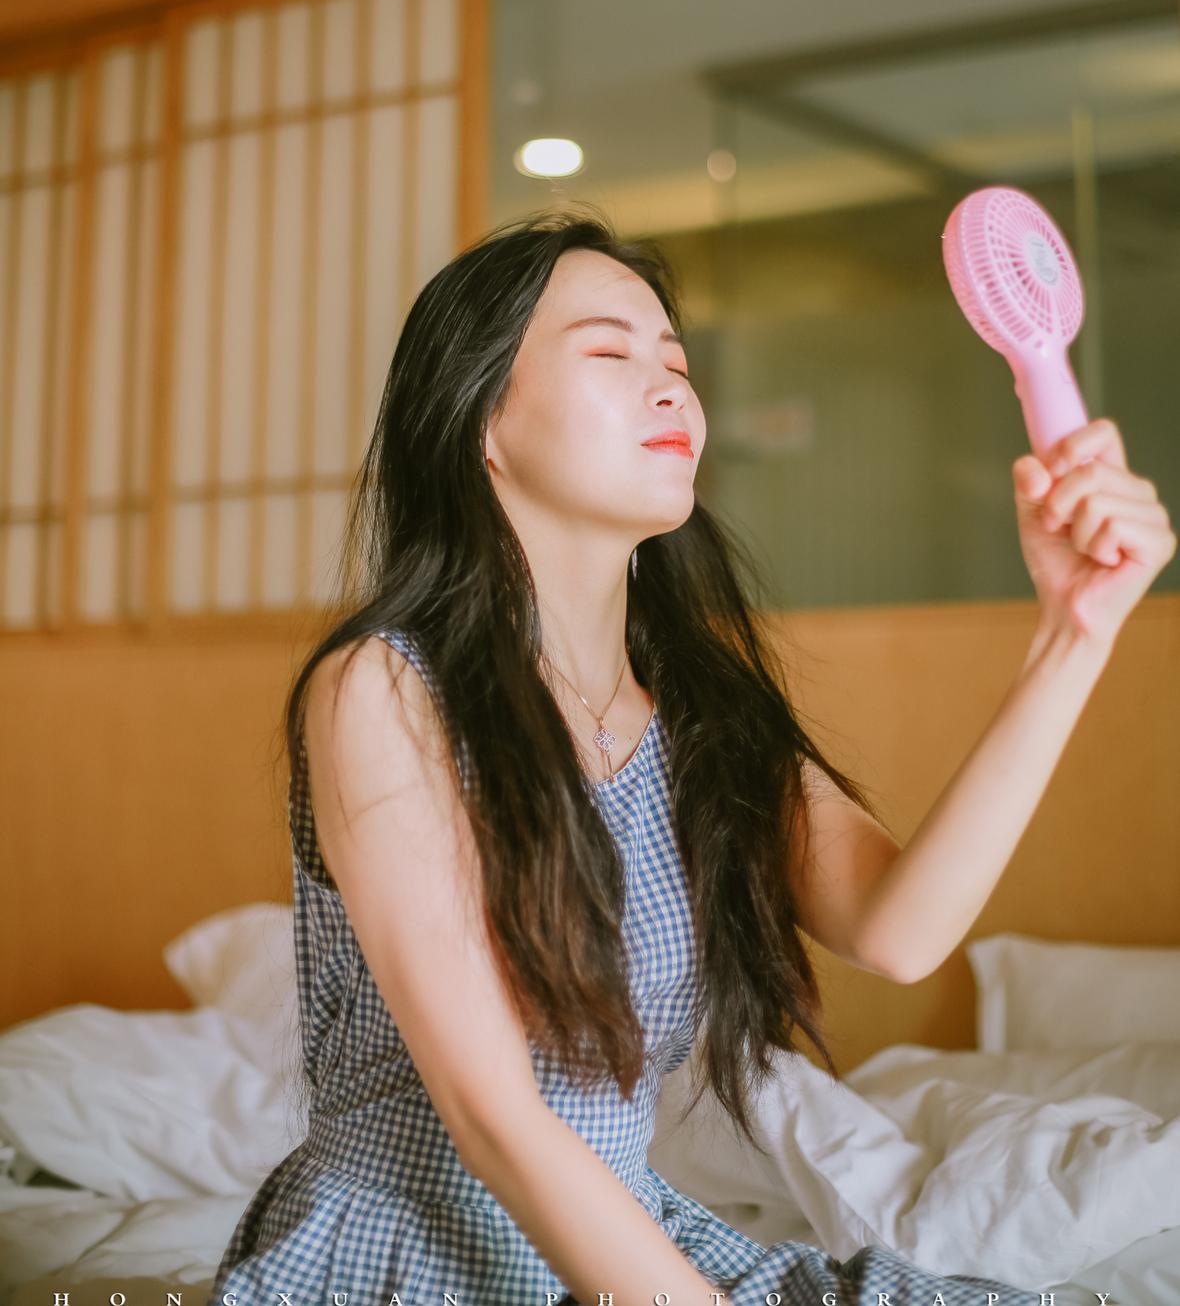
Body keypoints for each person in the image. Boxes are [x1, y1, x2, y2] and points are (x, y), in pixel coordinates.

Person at [208, 205, 1175, 1306]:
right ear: (482, 420)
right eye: (610, 355)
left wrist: (1074, 632)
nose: (672, 389)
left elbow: (898, 930)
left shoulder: (702, 716)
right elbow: (491, 1116)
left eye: (675, 362)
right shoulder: (384, 688)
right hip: (407, 1261)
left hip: (629, 1238)